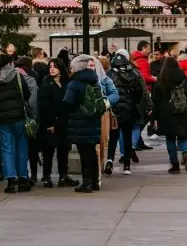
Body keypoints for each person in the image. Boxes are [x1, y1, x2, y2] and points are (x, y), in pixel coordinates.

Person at [63, 54, 111, 193]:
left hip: (79, 122)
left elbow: (68, 102)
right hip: (93, 121)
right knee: (91, 153)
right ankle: (95, 182)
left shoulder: (75, 82)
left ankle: (87, 183)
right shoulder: (94, 80)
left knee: (84, 154)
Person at [0, 52, 31, 194]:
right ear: (9, 63)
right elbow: (27, 93)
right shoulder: (17, 75)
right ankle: (23, 178)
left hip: (2, 118)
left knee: (7, 148)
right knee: (21, 147)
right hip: (18, 115)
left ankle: (11, 180)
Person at [105, 52, 149, 176]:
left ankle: (109, 160)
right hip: (129, 110)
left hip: (114, 111)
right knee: (127, 137)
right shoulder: (133, 74)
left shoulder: (109, 75)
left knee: (113, 136)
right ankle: (126, 165)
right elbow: (139, 92)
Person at [36, 57, 77, 187]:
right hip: (50, 122)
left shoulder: (67, 83)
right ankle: (46, 176)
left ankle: (63, 176)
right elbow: (43, 105)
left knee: (63, 150)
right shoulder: (46, 83)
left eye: (55, 66)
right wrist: (49, 124)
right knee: (48, 151)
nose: (52, 69)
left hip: (64, 122)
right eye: (50, 67)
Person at [152, 56, 187, 174]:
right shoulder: (183, 78)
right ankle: (186, 153)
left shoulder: (161, 80)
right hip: (183, 111)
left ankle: (175, 165)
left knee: (170, 138)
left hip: (167, 112)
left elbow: (156, 101)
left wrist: (155, 117)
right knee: (183, 136)